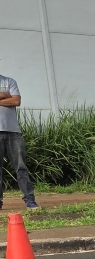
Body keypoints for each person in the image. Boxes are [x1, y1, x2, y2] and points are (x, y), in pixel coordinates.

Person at [0, 65, 38, 211]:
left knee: (21, 167)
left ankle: (30, 200)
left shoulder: (9, 81)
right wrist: (4, 95)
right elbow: (10, 98)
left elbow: (16, 101)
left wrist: (6, 96)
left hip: (13, 132)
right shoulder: (7, 87)